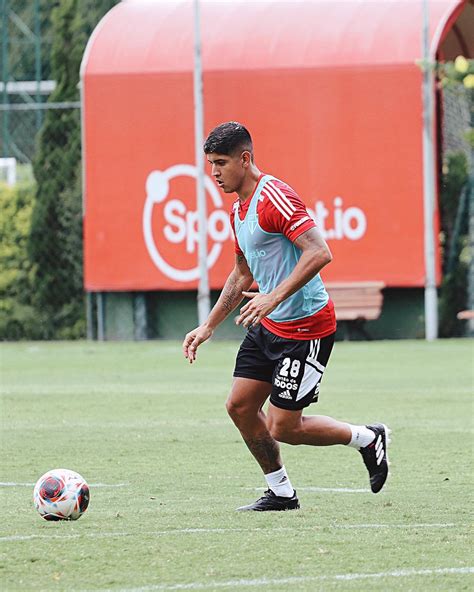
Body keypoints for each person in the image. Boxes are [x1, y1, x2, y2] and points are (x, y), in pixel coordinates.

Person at [182, 122, 390, 511]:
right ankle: (280, 492)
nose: (214, 173)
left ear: (245, 159)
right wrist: (208, 325)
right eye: (210, 164)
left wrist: (273, 297)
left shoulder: (274, 197)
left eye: (221, 163)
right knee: (240, 406)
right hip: (269, 325)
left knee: (284, 427)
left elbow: (319, 252)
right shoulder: (239, 209)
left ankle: (367, 437)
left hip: (306, 329)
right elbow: (243, 273)